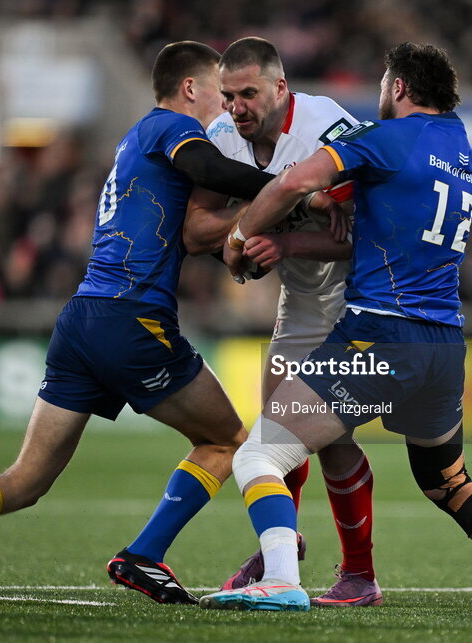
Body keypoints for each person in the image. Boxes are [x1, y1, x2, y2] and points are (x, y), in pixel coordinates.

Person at [0, 41, 282, 604]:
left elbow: (188, 233)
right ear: (191, 88)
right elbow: (209, 168)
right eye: (220, 87)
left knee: (24, 481)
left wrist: (238, 240)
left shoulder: (135, 144)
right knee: (227, 439)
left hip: (82, 319)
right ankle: (144, 554)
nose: (228, 101)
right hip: (133, 318)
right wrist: (288, 187)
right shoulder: (167, 126)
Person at [198, 42, 472, 612]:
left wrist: (237, 241)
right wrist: (297, 233)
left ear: (399, 88)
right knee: (449, 483)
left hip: (379, 336)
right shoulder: (459, 149)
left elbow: (286, 185)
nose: (379, 94)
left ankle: (281, 579)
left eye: (384, 84)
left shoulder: (382, 140)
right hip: (444, 345)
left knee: (258, 456)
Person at [183, 36, 381, 607]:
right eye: (228, 95)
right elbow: (197, 233)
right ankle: (279, 552)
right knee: (276, 432)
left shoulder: (328, 127)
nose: (236, 107)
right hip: (298, 301)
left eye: (248, 94)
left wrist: (283, 235)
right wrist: (267, 220)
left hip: (353, 299)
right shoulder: (222, 137)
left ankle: (360, 576)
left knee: (329, 441)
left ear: (280, 88)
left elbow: (365, 237)